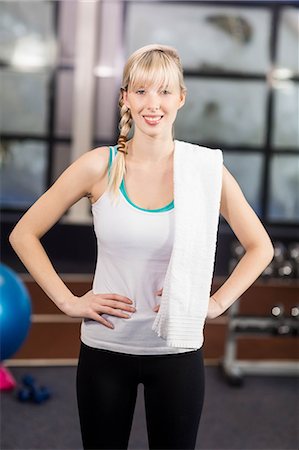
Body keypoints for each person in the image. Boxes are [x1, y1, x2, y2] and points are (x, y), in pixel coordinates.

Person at [9, 43, 274, 450]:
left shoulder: (205, 172)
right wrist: (68, 301)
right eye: (141, 90)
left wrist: (216, 304)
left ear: (181, 98)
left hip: (177, 348)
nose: (153, 103)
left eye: (165, 91)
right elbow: (23, 233)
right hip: (106, 346)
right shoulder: (100, 165)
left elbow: (261, 247)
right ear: (125, 98)